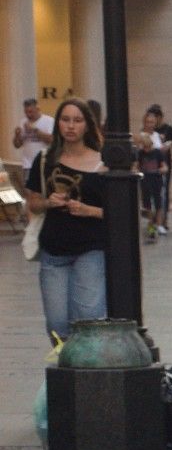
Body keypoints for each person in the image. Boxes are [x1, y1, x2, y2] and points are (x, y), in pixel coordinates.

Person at [24, 98, 108, 341]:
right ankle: (66, 374)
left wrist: (87, 210)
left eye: (77, 120)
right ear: (58, 124)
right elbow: (33, 202)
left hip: (91, 249)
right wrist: (49, 202)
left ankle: (87, 376)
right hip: (54, 250)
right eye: (65, 120)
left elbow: (120, 213)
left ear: (87, 126)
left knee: (88, 319)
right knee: (57, 325)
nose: (71, 126)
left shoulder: (103, 163)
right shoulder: (45, 160)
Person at [136, 106, 172, 240]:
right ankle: (151, 224)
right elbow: (137, 158)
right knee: (147, 202)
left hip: (157, 173)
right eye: (148, 122)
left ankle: (159, 224)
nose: (150, 125)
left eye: (153, 122)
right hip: (146, 174)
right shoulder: (140, 137)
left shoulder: (157, 136)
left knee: (159, 200)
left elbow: (161, 156)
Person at [14, 97, 55, 164]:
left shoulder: (49, 121)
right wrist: (17, 135)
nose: (28, 115)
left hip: (43, 162)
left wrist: (34, 130)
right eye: (26, 112)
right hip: (27, 163)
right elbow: (17, 145)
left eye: (30, 112)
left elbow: (51, 140)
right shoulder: (23, 122)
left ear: (38, 109)